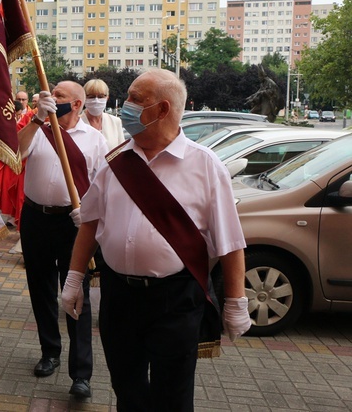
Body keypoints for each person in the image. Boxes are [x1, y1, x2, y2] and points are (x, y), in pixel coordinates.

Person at [62, 68, 251, 411]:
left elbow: (230, 241)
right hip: (119, 297)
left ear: (162, 110)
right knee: (127, 390)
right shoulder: (116, 161)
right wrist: (74, 279)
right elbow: (89, 222)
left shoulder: (205, 165)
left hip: (174, 299)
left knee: (173, 397)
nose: (126, 107)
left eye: (136, 99)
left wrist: (236, 302)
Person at [17, 80, 108, 400]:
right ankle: (49, 351)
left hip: (73, 225)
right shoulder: (39, 129)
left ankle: (81, 372)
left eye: (59, 96)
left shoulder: (95, 140)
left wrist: (89, 214)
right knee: (40, 289)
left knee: (76, 295)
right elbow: (17, 152)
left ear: (78, 104)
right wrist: (37, 119)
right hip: (35, 219)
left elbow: (102, 187)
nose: (51, 98)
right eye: (50, 95)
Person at [81, 79, 125, 147]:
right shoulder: (76, 123)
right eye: (91, 97)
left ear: (107, 98)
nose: (96, 100)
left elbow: (122, 151)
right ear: (84, 98)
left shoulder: (115, 122)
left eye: (101, 96)